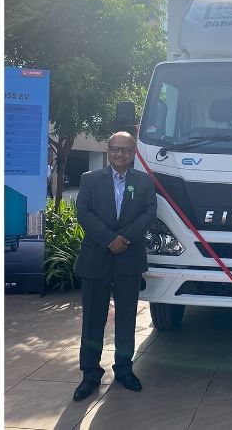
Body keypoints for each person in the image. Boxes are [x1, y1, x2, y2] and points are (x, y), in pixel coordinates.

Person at [72, 131, 157, 402]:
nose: (120, 154)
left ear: (133, 153)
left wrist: (125, 238)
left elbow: (149, 213)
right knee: (92, 320)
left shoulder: (144, 182)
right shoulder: (89, 179)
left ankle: (123, 369)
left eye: (126, 150)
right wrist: (109, 239)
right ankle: (90, 374)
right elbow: (83, 212)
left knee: (126, 318)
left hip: (129, 259)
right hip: (96, 257)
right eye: (115, 149)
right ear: (108, 150)